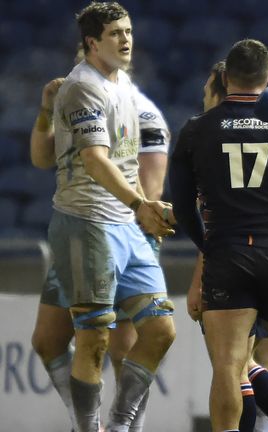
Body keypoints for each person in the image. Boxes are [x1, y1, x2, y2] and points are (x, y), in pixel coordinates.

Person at [48, 2, 177, 431]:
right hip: (87, 223)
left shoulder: (121, 82)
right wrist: (140, 204)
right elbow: (97, 160)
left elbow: (124, 162)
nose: (126, 40)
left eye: (128, 31)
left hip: (126, 222)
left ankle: (119, 426)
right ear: (91, 42)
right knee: (95, 339)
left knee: (161, 330)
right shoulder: (82, 86)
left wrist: (144, 207)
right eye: (115, 34)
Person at [184, 59, 268, 432]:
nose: (204, 100)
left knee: (231, 365)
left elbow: (193, 209)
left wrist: (201, 268)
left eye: (206, 93)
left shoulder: (203, 135)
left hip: (229, 258)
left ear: (221, 87)